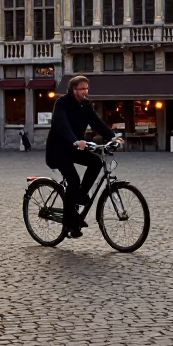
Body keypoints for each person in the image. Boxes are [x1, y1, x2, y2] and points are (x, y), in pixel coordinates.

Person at [46, 76, 120, 239]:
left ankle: (80, 196)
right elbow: (61, 124)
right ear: (73, 89)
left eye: (86, 88)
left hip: (75, 148)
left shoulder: (86, 105)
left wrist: (112, 137)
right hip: (58, 149)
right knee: (73, 180)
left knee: (96, 162)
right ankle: (71, 223)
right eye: (82, 88)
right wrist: (74, 140)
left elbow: (96, 123)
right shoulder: (62, 103)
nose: (85, 91)